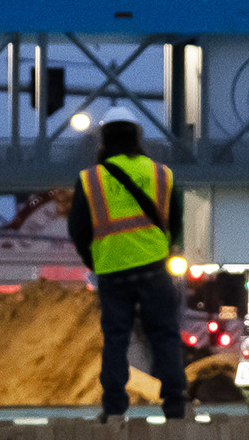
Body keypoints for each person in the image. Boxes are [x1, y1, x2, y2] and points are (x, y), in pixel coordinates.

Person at [68, 118, 186, 421]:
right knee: (165, 335)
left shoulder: (90, 179)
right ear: (138, 139)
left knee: (116, 338)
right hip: (153, 268)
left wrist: (94, 259)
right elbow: (176, 218)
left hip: (113, 271)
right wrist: (161, 248)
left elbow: (78, 227)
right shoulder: (162, 174)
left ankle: (114, 407)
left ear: (104, 142)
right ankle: (174, 405)